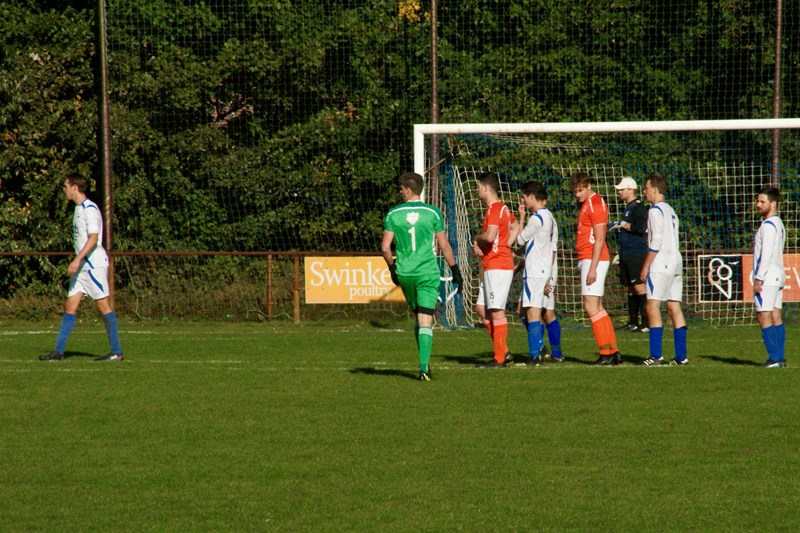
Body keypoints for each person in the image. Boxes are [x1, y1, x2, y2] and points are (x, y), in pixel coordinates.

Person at [381, 172, 463, 381]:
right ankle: (424, 368)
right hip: (427, 272)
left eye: (401, 189)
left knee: (419, 316)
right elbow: (444, 245)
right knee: (426, 318)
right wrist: (455, 270)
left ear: (408, 190)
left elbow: (385, 248)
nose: (400, 192)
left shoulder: (393, 214)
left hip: (405, 273)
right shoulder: (433, 212)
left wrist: (392, 269)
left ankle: (425, 365)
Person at [40, 174, 124, 361]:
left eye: (65, 186)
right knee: (70, 305)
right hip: (82, 266)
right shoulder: (78, 209)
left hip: (93, 265)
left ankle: (116, 352)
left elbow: (93, 239)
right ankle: (58, 352)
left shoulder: (90, 209)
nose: (64, 190)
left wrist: (77, 259)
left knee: (103, 306)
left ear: (74, 187)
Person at [568, 172, 621, 365]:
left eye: (580, 190)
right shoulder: (588, 204)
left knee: (590, 306)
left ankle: (606, 353)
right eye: (575, 191)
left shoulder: (596, 204)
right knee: (597, 306)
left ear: (589, 186)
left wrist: (593, 268)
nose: (577, 195)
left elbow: (599, 239)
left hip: (593, 259)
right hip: (590, 258)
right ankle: (613, 351)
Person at [639, 173, 688, 366]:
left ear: (654, 190)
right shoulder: (671, 210)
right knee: (674, 307)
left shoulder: (654, 211)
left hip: (661, 263)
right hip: (676, 262)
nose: (644, 192)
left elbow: (656, 241)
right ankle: (681, 356)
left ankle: (656, 355)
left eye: (646, 188)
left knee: (652, 306)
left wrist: (646, 266)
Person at [510, 181, 556, 366]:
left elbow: (520, 240)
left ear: (531, 196)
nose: (522, 201)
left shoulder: (536, 219)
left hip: (535, 271)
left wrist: (521, 218)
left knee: (533, 313)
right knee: (522, 310)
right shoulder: (549, 216)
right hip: (541, 269)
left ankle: (535, 355)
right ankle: (540, 348)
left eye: (524, 197)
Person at [473, 171, 516, 367]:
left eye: (477, 186)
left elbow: (490, 237)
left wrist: (477, 238)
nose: (476, 190)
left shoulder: (495, 209)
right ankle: (504, 351)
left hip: (498, 266)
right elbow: (515, 226)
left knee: (497, 311)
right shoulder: (502, 209)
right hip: (493, 264)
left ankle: (499, 357)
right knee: (481, 308)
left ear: (485, 187)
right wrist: (506, 244)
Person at [752, 187, 787, 367]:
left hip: (768, 277)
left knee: (763, 315)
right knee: (775, 314)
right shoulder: (778, 223)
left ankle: (774, 358)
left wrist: (759, 278)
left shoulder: (767, 226)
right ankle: (779, 358)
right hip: (777, 275)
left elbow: (765, 254)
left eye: (762, 202)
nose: (758, 205)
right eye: (757, 201)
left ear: (773, 204)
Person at [609, 177, 649, 332]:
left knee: (639, 287)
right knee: (630, 288)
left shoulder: (638, 207)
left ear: (630, 189)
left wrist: (623, 224)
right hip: (627, 252)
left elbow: (640, 228)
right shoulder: (628, 207)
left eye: (622, 189)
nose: (619, 192)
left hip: (636, 253)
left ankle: (646, 323)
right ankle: (633, 322)